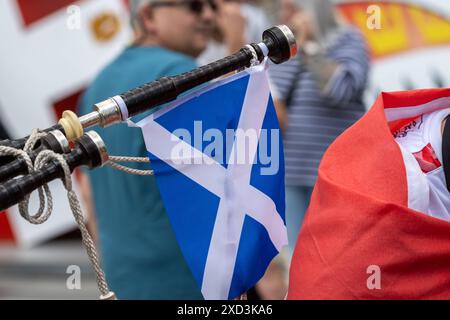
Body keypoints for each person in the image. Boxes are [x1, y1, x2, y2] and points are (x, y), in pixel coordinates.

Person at [78, 0, 216, 299]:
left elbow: (89, 195)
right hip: (187, 281)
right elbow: (226, 189)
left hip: (122, 277)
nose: (209, 15)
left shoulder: (97, 85)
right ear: (149, 16)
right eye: (194, 6)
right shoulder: (182, 76)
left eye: (212, 5)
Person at [269, 0, 370, 254]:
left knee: (334, 253)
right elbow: (275, 97)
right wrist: (296, 49)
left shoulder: (349, 40)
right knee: (292, 256)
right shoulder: (287, 50)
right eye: (283, 9)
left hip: (334, 175)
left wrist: (311, 47)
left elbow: (340, 90)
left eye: (292, 9)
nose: (285, 16)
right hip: (290, 172)